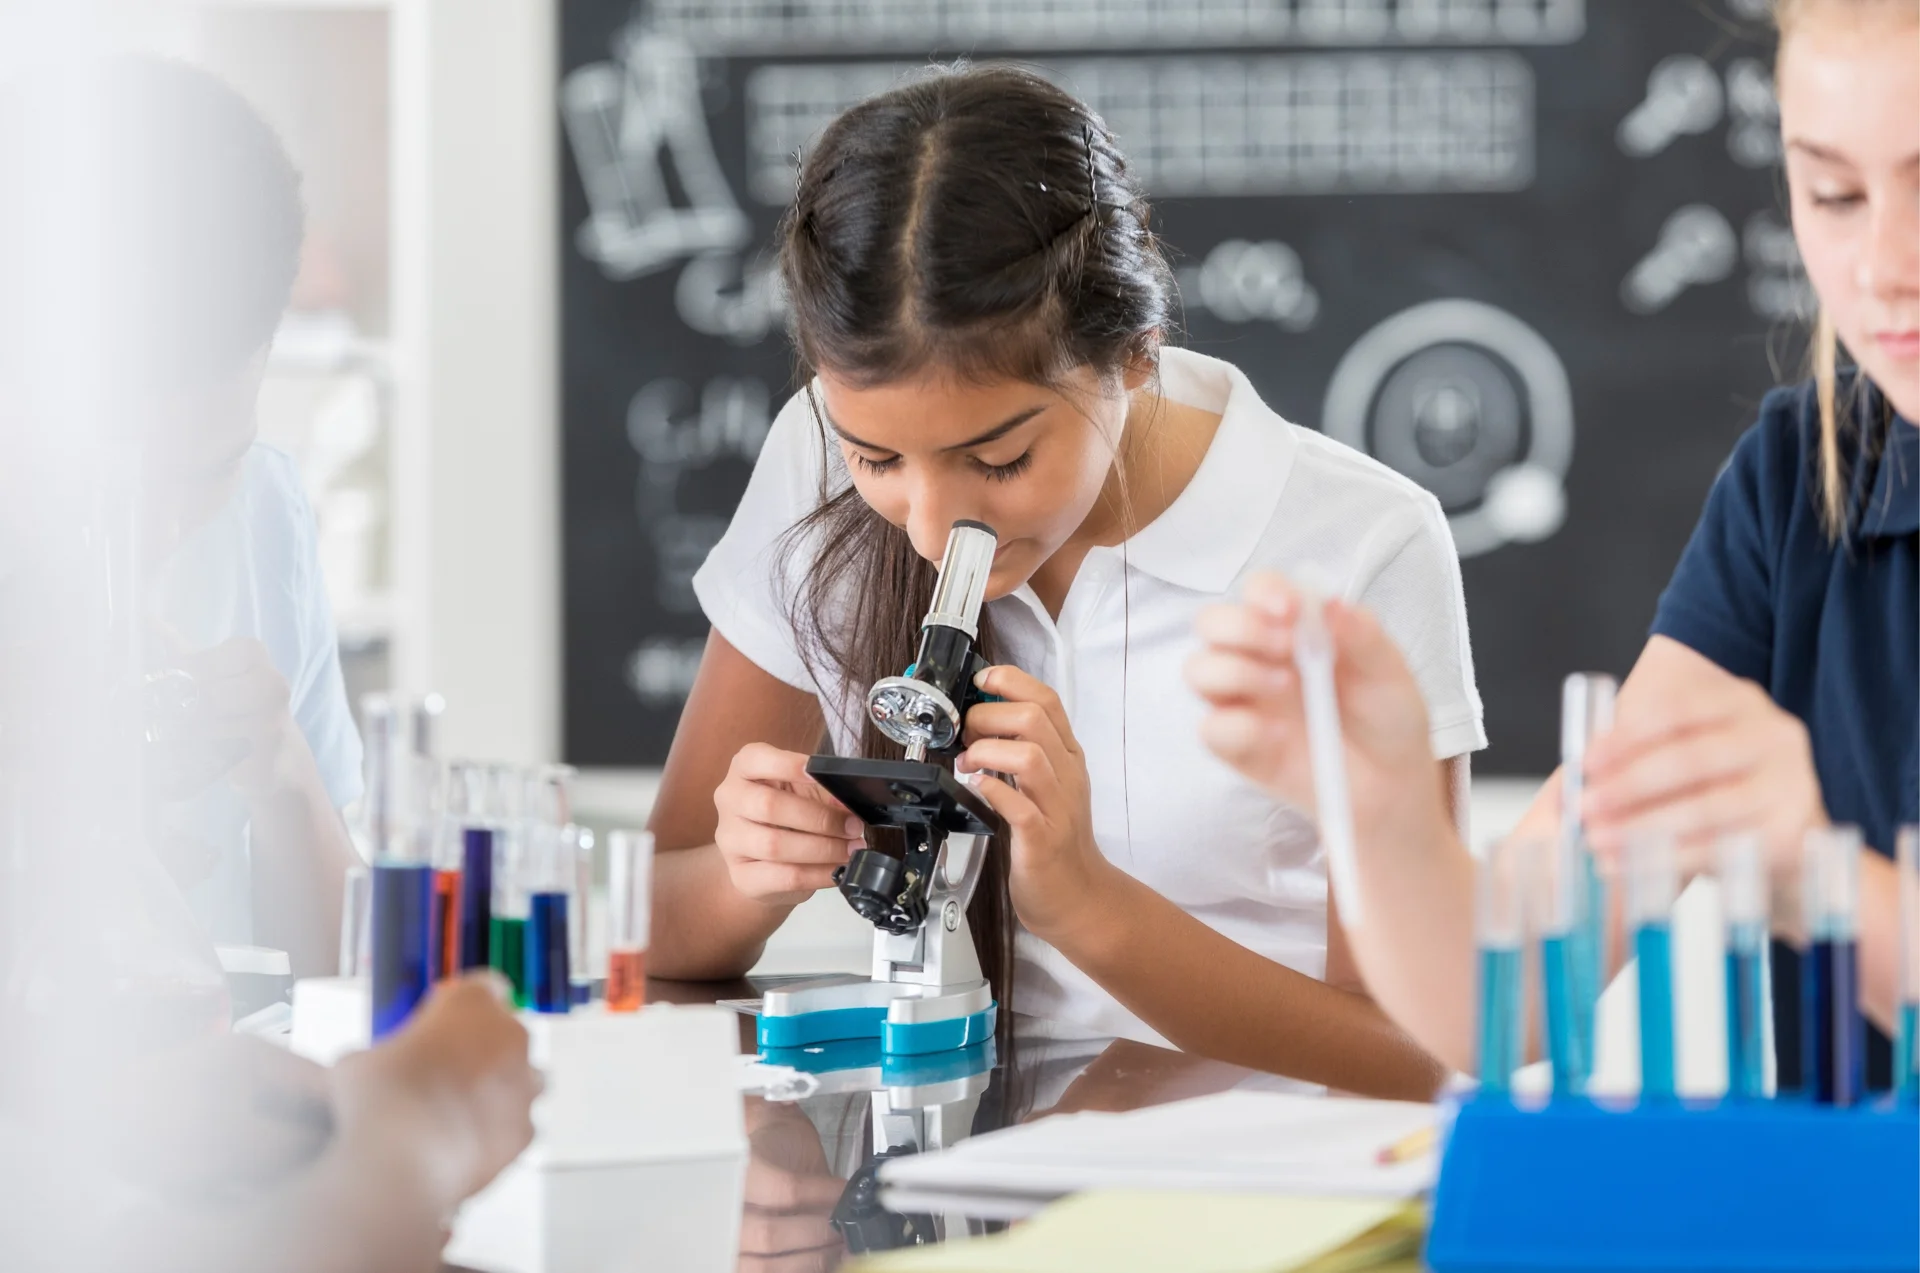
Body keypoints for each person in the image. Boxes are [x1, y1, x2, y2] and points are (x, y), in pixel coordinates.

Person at [647, 65, 1486, 1096]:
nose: (930, 526)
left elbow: (1422, 1052)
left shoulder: (1360, 542)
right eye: (877, 459)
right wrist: (751, 870)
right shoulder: (816, 457)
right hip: (967, 1152)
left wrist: (1090, 906)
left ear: (1134, 353)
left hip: (1267, 1171)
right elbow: (653, 923)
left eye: (1000, 459)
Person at [1188, 0, 1918, 1087]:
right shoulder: (1801, 482)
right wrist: (1380, 811)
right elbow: (1506, 998)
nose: (1883, 266)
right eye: (1835, 195)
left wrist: (1828, 884)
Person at [0, 57, 363, 977]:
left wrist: (281, 777)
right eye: (97, 483)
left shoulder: (262, 516)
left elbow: (343, 987)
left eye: (204, 472)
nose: (156, 536)